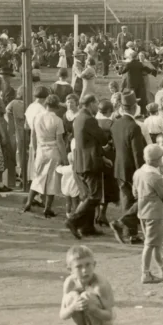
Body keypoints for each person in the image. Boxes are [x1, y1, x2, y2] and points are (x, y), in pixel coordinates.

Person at [133, 144, 163, 284]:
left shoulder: (138, 173)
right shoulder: (155, 177)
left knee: (155, 243)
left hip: (142, 212)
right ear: (159, 160)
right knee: (150, 244)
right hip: (155, 213)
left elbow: (135, 192)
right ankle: (145, 273)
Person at [67, 95, 107, 239]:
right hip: (89, 162)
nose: (98, 106)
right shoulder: (89, 119)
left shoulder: (78, 118)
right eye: (96, 103)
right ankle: (73, 220)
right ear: (90, 104)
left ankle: (87, 227)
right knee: (94, 196)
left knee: (88, 195)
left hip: (81, 161)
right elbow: (103, 139)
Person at [59, 245, 114, 325]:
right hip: (84, 318)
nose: (84, 270)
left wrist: (95, 310)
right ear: (70, 269)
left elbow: (109, 316)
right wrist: (73, 307)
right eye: (79, 267)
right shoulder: (70, 283)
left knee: (86, 295)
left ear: (94, 264)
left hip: (103, 321)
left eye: (88, 265)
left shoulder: (100, 285)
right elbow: (62, 315)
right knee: (71, 296)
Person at [110, 90, 146, 245]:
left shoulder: (115, 124)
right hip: (132, 168)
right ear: (133, 107)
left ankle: (130, 233)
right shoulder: (134, 127)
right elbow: (137, 153)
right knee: (143, 198)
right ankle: (122, 223)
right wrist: (141, 173)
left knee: (126, 199)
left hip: (119, 167)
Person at [23, 95, 67, 218]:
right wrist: (64, 157)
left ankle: (28, 203)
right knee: (52, 180)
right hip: (53, 150)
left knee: (38, 177)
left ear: (46, 104)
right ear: (56, 106)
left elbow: (33, 136)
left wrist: (35, 150)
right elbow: (60, 141)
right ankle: (47, 208)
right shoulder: (57, 120)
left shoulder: (37, 117)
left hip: (41, 149)